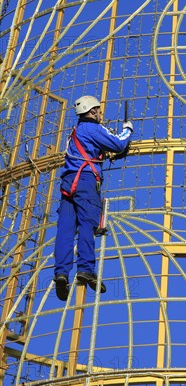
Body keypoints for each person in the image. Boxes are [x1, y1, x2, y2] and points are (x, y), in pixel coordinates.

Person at [54, 95, 133, 301]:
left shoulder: (76, 131)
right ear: (91, 111)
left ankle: (61, 273)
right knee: (88, 224)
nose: (100, 113)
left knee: (65, 229)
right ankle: (85, 269)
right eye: (98, 110)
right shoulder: (93, 128)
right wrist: (128, 130)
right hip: (86, 181)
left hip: (68, 182)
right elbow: (118, 144)